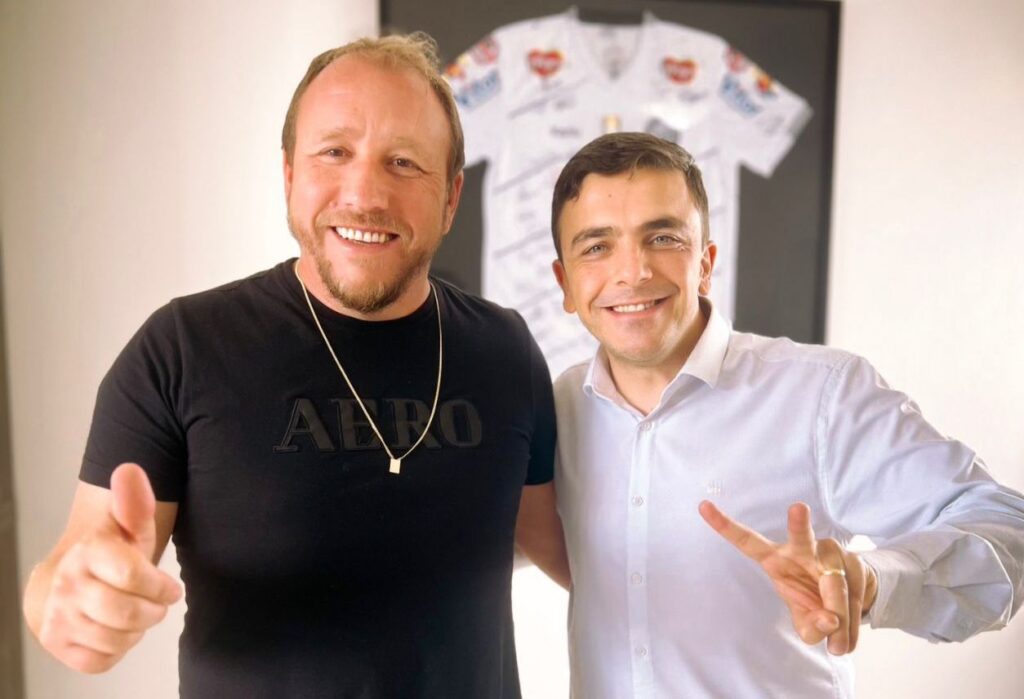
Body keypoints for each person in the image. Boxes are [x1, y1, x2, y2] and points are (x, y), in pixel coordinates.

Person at [22, 33, 568, 699]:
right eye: (334, 152)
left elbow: (568, 546)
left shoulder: (506, 350)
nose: (364, 193)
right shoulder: (183, 348)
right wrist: (72, 599)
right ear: (289, 175)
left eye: (403, 162)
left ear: (451, 198)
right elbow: (74, 565)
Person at [549, 131, 1024, 697]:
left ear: (705, 264)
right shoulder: (556, 408)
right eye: (596, 247)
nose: (633, 272)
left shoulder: (822, 395)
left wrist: (871, 579)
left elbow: (1005, 529)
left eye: (663, 238)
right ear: (566, 283)